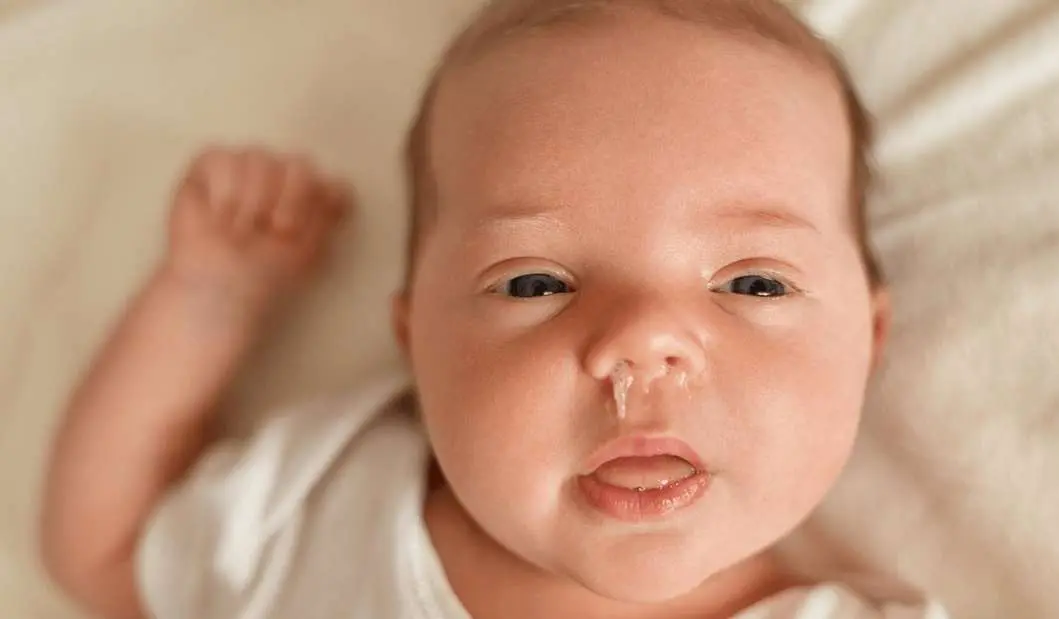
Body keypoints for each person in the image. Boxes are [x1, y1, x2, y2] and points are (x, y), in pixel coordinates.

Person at [40, 0, 951, 617]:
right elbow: (107, 549)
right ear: (416, 343)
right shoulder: (324, 503)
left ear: (867, 341)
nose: (642, 341)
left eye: (754, 283)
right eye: (534, 283)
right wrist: (208, 299)